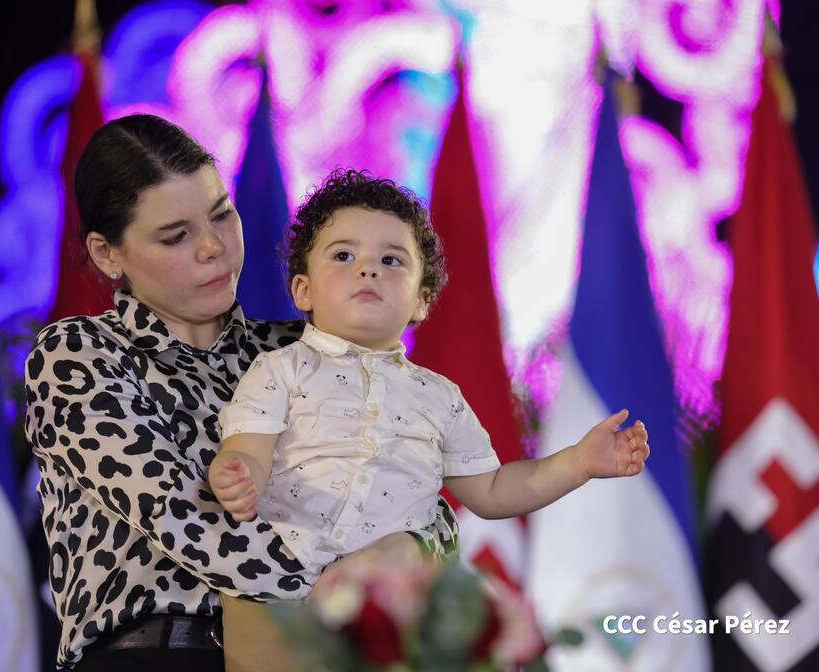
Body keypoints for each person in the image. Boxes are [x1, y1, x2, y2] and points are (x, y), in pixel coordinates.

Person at [24, 115, 459, 672]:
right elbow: (191, 522)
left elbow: (424, 503)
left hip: (318, 651)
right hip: (161, 653)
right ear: (108, 254)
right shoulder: (80, 354)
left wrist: (412, 545)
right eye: (175, 236)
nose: (213, 247)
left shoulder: (301, 352)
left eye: (221, 214)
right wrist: (351, 585)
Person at [208, 169, 651, 669]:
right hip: (279, 595)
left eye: (391, 260)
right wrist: (237, 474)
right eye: (344, 256)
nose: (368, 270)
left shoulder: (439, 397)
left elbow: (492, 489)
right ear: (303, 290)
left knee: (405, 562)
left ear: (421, 300)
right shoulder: (279, 370)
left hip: (388, 617)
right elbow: (249, 448)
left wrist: (577, 463)